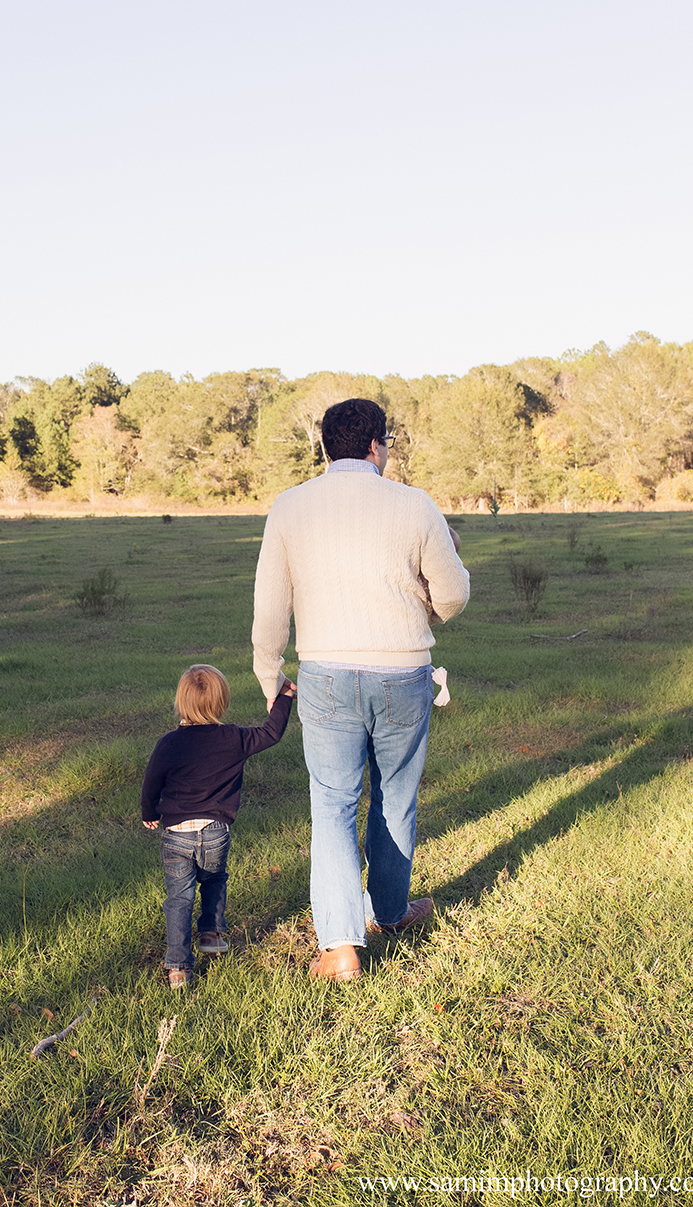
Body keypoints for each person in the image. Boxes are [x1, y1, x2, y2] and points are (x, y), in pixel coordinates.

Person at [251, 398, 469, 981]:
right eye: (387, 442)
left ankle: (342, 947)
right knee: (395, 797)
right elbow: (451, 599)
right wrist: (433, 579)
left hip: (323, 675)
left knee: (332, 805)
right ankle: (392, 915)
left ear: (328, 447)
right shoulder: (415, 505)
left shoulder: (289, 507)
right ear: (376, 445)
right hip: (402, 672)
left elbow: (271, 605)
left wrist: (271, 678)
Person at [141, 663, 295, 988]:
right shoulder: (234, 738)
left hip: (176, 836)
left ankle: (178, 967)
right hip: (215, 833)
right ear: (222, 702)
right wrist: (284, 697)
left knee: (179, 898)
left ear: (181, 703)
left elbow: (151, 781)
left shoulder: (169, 744)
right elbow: (271, 733)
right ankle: (210, 934)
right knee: (214, 879)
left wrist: (149, 811)